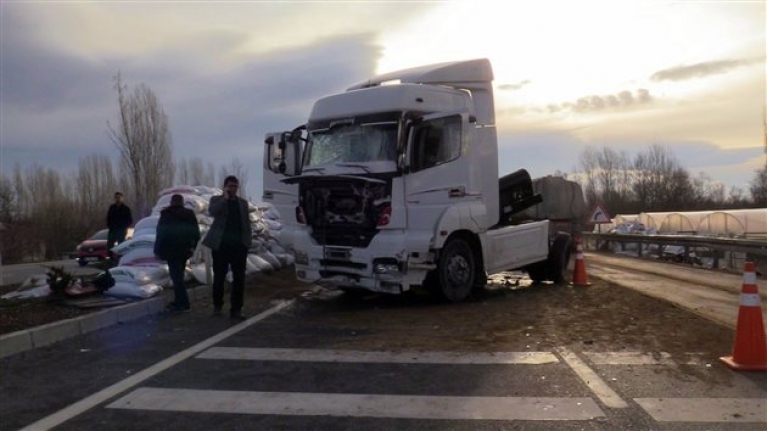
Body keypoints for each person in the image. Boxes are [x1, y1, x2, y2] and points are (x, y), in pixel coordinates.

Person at [202, 176, 252, 320]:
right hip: (221, 246)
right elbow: (213, 212)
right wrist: (224, 199)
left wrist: (247, 242)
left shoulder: (242, 203)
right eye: (230, 186)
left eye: (235, 186)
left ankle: (236, 309)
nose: (232, 189)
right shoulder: (216, 200)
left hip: (239, 247)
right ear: (225, 187)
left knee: (239, 279)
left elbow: (246, 223)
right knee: (219, 277)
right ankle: (217, 306)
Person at [154, 194, 201, 313]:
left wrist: (157, 250)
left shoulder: (166, 214)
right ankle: (178, 301)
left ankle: (183, 304)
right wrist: (192, 247)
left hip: (171, 250)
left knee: (176, 278)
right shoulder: (189, 214)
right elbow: (196, 233)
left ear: (171, 202)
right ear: (182, 202)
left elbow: (161, 233)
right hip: (185, 250)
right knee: (179, 276)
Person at [106, 191, 133, 261]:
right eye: (116, 197)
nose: (117, 199)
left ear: (122, 198)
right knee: (110, 244)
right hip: (113, 229)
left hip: (121, 230)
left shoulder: (126, 209)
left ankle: (121, 258)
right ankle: (110, 258)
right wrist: (110, 226)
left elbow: (130, 220)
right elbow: (108, 218)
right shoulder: (112, 208)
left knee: (121, 244)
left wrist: (124, 227)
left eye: (119, 197)